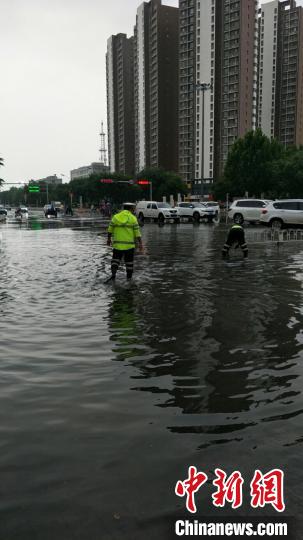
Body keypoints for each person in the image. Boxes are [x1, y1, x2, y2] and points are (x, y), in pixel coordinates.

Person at [107, 202, 143, 280]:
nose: (134, 210)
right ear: (131, 208)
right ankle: (129, 279)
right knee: (129, 263)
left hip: (117, 245)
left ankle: (113, 276)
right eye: (133, 208)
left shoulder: (115, 217)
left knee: (115, 261)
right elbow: (137, 233)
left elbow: (110, 230)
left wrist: (109, 239)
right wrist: (141, 244)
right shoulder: (133, 218)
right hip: (129, 246)